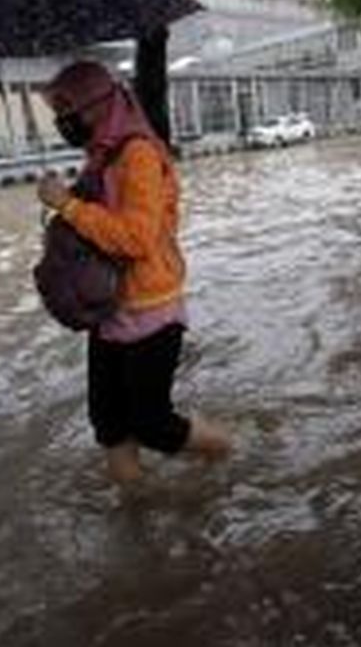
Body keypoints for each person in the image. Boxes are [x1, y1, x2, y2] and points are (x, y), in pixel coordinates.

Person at [36, 61, 231, 485]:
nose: (64, 121)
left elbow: (137, 238)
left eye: (70, 110)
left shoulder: (138, 154)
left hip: (151, 311)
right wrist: (67, 203)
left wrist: (68, 206)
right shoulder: (100, 156)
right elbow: (96, 226)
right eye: (58, 113)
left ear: (98, 105)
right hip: (108, 310)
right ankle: (138, 514)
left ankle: (228, 452)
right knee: (108, 422)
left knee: (152, 424)